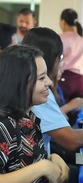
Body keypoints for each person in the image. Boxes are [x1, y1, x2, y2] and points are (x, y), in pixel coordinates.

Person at [22, 28, 83, 183]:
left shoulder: (38, 95)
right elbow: (71, 140)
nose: (48, 83)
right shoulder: (37, 97)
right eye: (61, 58)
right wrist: (45, 166)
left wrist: (51, 158)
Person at [0, 45, 69, 183]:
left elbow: (21, 163)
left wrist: (50, 159)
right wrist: (42, 168)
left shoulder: (28, 117)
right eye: (42, 78)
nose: (49, 82)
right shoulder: (4, 125)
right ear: (19, 82)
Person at [58, 8, 83, 126]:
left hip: (65, 80)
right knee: (75, 116)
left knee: (61, 117)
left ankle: (62, 143)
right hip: (80, 81)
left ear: (62, 21)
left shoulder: (60, 38)